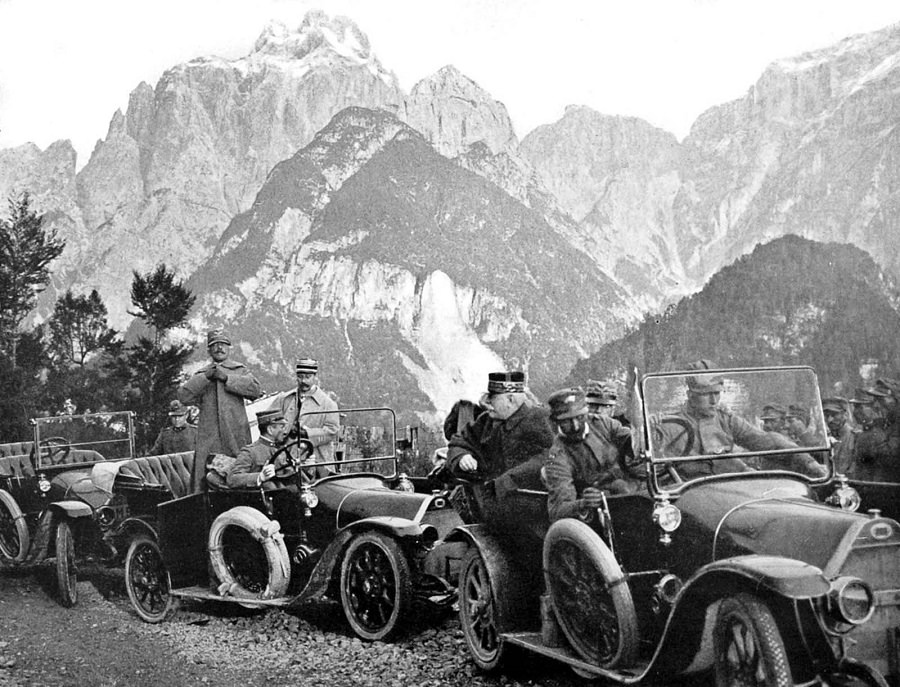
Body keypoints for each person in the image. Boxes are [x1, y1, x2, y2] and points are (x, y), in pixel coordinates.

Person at [653, 360, 826, 478]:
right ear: (690, 395)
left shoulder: (726, 420)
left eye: (717, 393)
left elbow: (768, 441)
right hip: (693, 496)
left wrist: (809, 463)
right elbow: (645, 464)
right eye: (706, 395)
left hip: (733, 486)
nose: (714, 401)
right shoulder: (669, 425)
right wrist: (648, 432)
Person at [178, 327, 263, 491]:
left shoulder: (240, 370)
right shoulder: (202, 373)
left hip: (236, 434)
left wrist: (227, 378)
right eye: (215, 344)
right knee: (205, 480)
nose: (219, 348)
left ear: (229, 347)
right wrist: (205, 377)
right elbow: (184, 396)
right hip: (209, 439)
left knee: (240, 474)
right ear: (209, 349)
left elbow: (255, 390)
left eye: (223, 344)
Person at [447, 370, 554, 496]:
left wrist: (509, 480)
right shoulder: (486, 420)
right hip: (490, 499)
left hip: (529, 500)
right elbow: (459, 442)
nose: (488, 405)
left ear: (510, 399)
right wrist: (462, 456)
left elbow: (549, 458)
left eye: (493, 399)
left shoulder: (542, 419)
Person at [543, 387, 638, 522]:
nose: (575, 426)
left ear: (586, 412)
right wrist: (583, 503)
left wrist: (646, 433)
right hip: (607, 510)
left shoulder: (604, 424)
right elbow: (557, 510)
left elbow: (633, 442)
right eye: (566, 421)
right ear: (555, 421)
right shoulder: (558, 457)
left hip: (635, 489)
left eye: (580, 417)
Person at [272, 358, 339, 477]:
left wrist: (306, 433)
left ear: (315, 377)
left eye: (308, 377)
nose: (303, 381)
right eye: (300, 376)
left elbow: (332, 431)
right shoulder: (284, 399)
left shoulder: (328, 404)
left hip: (317, 461)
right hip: (286, 460)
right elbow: (269, 422)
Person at [227, 409, 296, 488]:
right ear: (270, 430)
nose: (285, 432)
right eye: (282, 427)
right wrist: (260, 477)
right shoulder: (250, 452)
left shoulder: (282, 450)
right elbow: (232, 479)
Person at [822, 397, 856, 476]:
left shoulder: (854, 438)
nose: (830, 420)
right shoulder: (823, 438)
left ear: (845, 414)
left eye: (834, 415)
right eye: (826, 415)